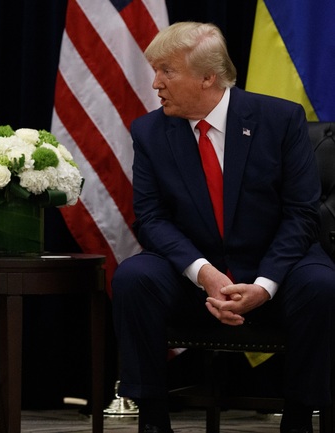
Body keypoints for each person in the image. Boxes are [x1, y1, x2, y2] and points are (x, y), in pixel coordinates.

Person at [112, 22, 335, 433]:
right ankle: (152, 419)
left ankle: (300, 417)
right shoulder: (150, 130)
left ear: (207, 77)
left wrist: (264, 284)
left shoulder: (280, 119)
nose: (155, 83)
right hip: (194, 271)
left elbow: (301, 215)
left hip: (276, 267)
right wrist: (205, 275)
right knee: (134, 278)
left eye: (166, 71)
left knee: (321, 285)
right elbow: (151, 218)